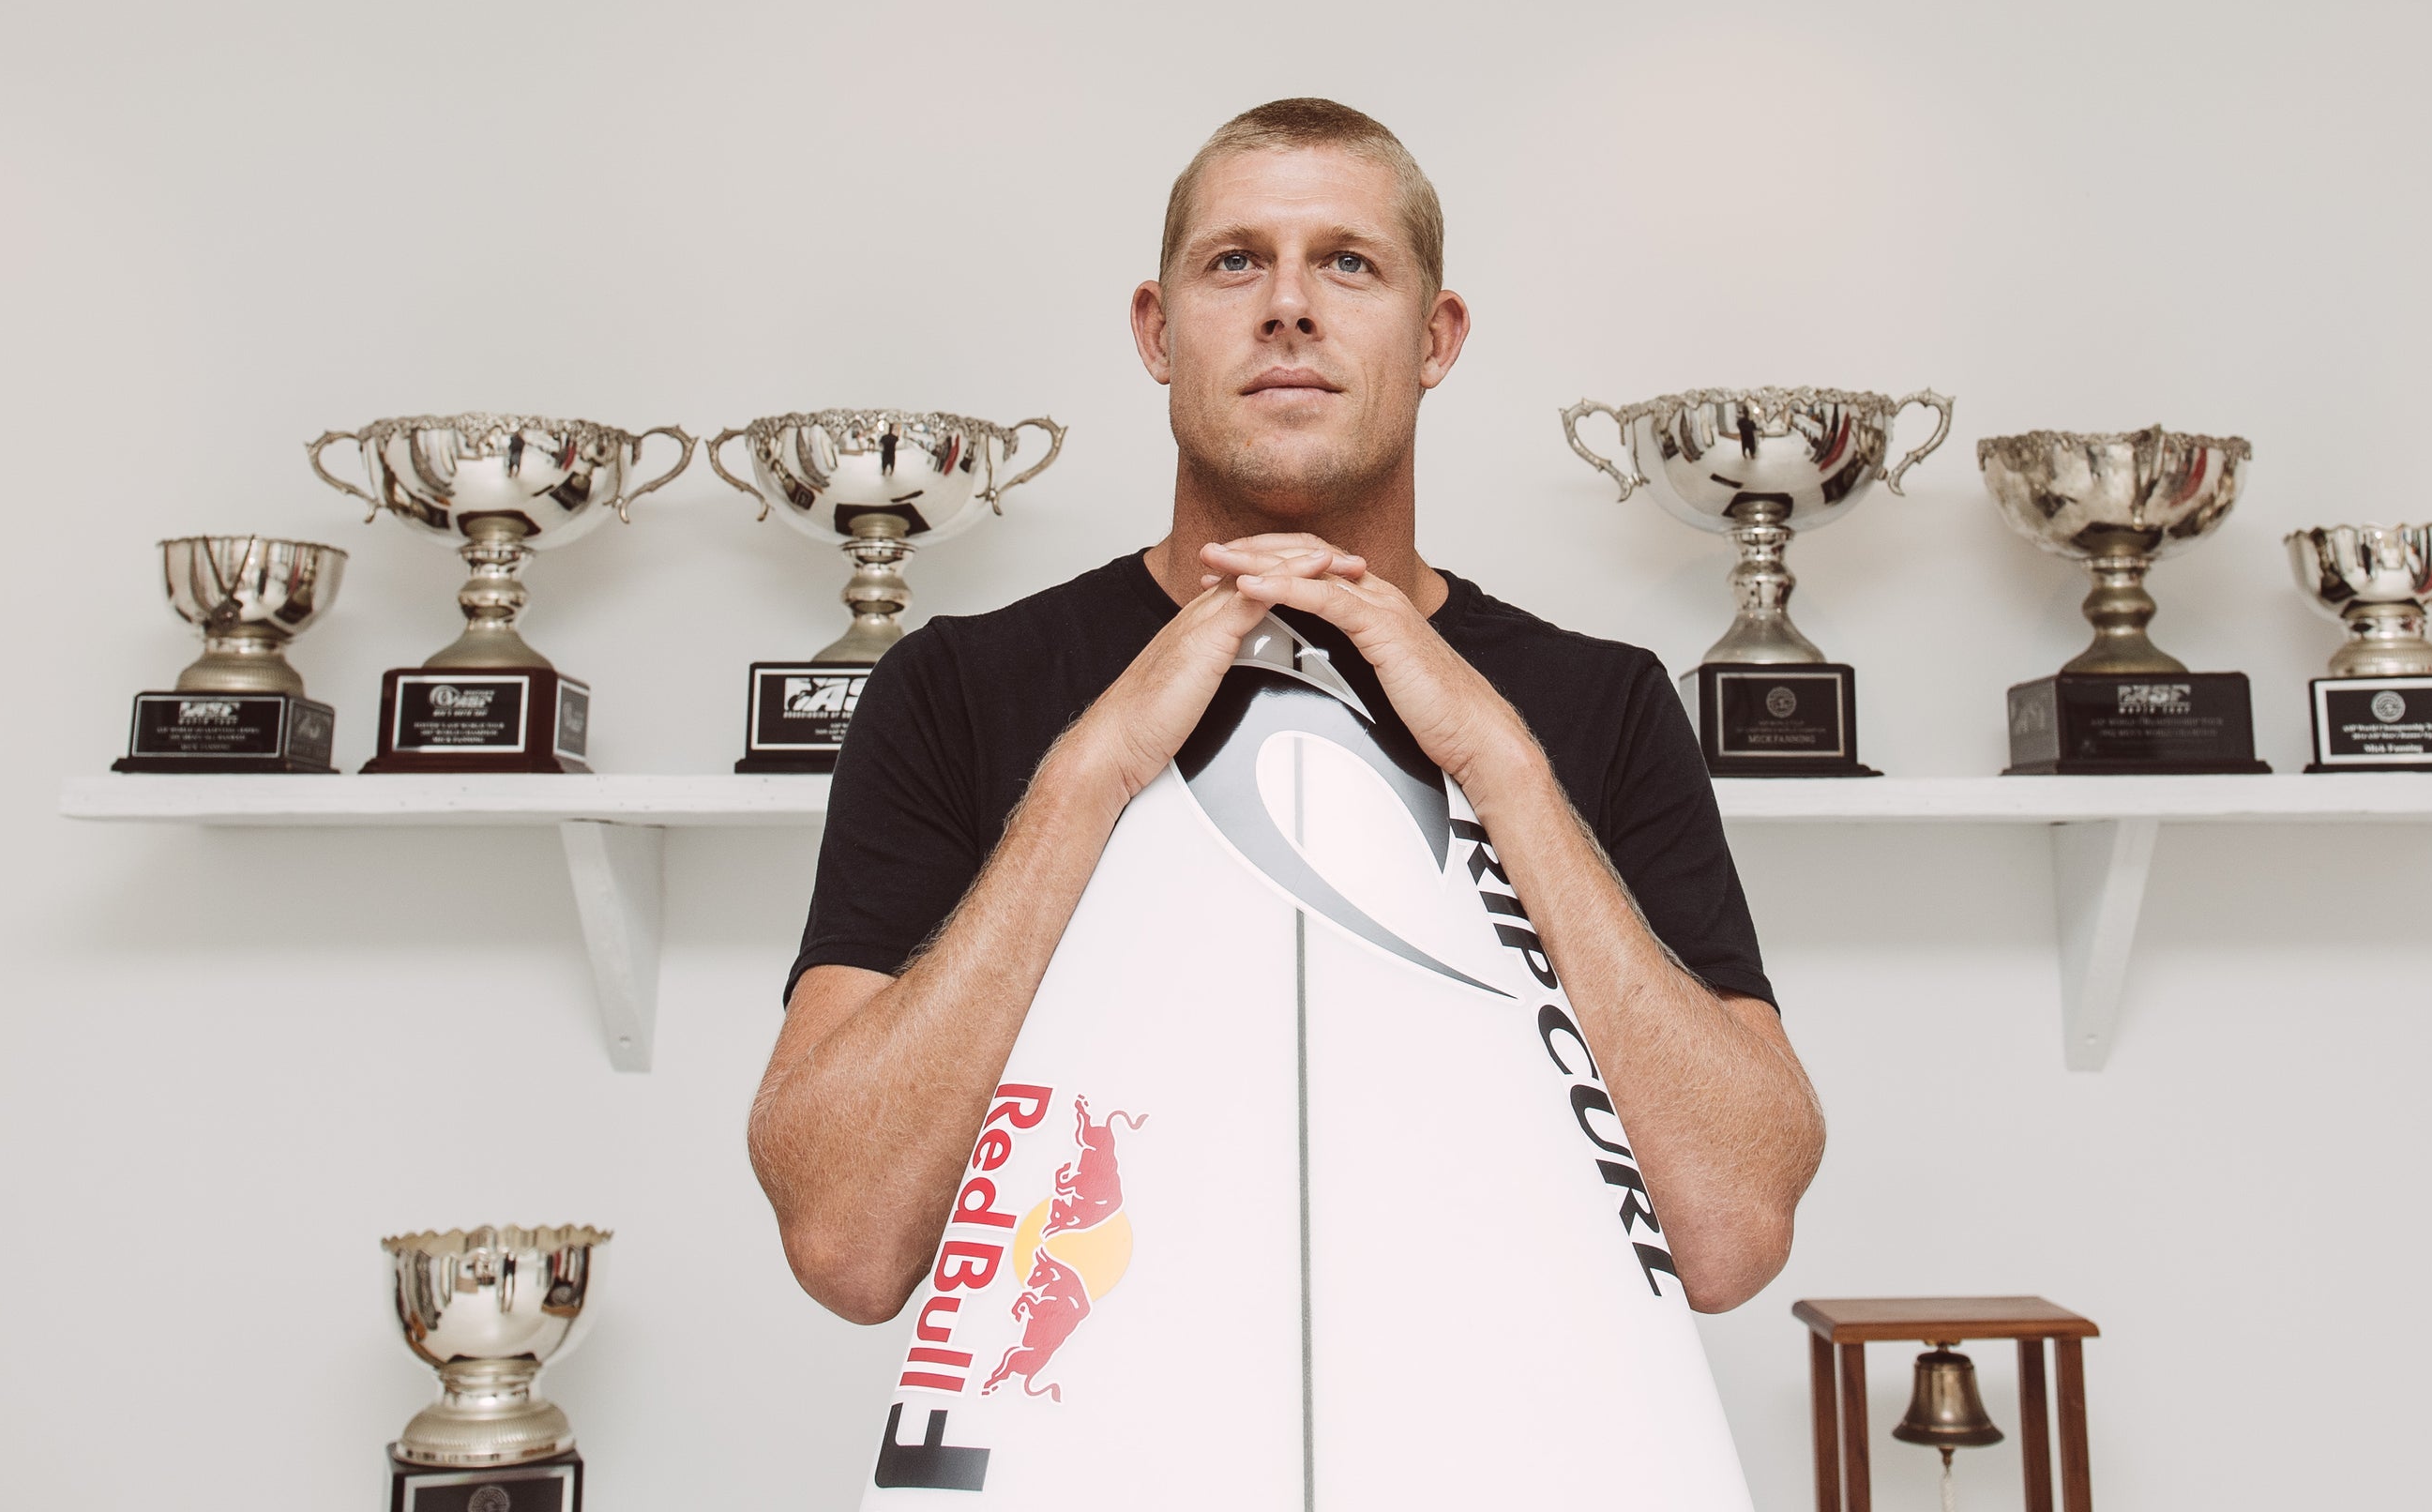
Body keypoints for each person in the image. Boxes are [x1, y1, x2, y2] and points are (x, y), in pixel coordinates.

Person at [749, 98, 1824, 1324]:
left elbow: (1733, 1234)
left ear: (1436, 336)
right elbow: (846, 1245)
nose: (1290, 306)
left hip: (1502, 1410)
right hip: (1085, 1412)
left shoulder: (1606, 702)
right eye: (1235, 261)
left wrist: (1501, 766)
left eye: (1350, 263)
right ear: (1157, 331)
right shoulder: (955, 686)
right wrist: (1090, 774)